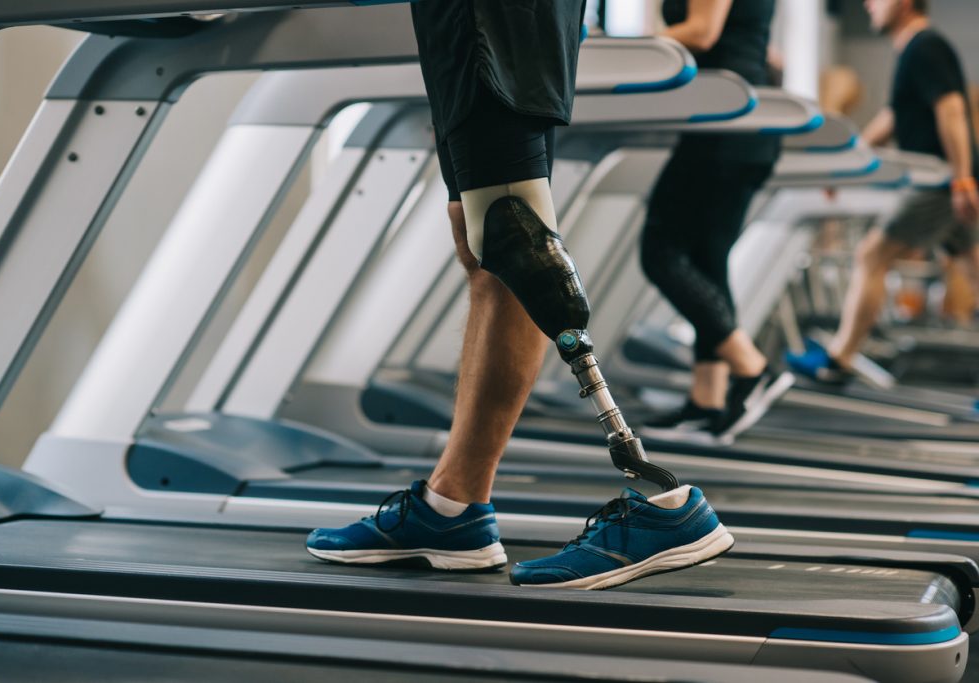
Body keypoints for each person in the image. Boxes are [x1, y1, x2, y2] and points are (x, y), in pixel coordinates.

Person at [305, 0, 733, 590]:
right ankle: (452, 508)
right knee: (483, 241)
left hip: (492, 21)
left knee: (510, 230)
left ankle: (667, 503)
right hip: (471, 25)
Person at [788, 0, 979, 383]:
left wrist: (961, 179)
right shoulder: (913, 49)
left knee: (871, 256)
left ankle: (839, 361)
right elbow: (893, 116)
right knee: (975, 268)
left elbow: (952, 109)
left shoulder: (925, 45)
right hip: (942, 180)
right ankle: (839, 359)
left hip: (938, 181)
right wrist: (845, 160)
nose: (868, 5)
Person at [639, 0, 794, 442]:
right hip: (739, 122)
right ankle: (707, 398)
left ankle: (752, 369)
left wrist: (614, 48)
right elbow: (769, 55)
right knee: (708, 262)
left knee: (660, 252)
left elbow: (704, 32)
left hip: (724, 123)